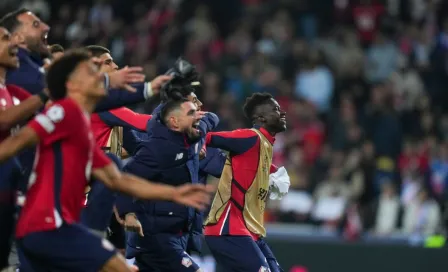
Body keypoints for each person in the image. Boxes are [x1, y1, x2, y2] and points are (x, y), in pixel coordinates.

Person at [0, 49, 213, 272]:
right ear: (72, 85)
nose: (98, 77)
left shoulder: (80, 128)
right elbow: (14, 145)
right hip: (48, 226)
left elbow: (119, 180)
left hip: (45, 229)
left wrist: (174, 194)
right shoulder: (63, 112)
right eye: (90, 72)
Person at [116, 96, 220, 272]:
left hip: (177, 232)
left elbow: (211, 118)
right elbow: (125, 179)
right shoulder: (156, 149)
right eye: (191, 113)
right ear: (175, 122)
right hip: (157, 235)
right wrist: (128, 213)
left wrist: (199, 117)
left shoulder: (192, 139)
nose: (198, 116)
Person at [203, 92, 286, 272]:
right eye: (276, 110)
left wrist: (272, 173)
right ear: (261, 117)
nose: (282, 113)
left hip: (251, 233)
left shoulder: (265, 147)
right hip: (227, 230)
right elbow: (207, 138)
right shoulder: (250, 137)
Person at [82, 45, 153, 251]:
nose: (116, 65)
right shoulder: (101, 103)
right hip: (88, 197)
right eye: (108, 62)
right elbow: (143, 123)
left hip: (108, 193)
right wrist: (176, 118)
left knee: (116, 255)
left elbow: (139, 146)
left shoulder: (112, 114)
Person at [0, 26, 50, 272]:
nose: (14, 45)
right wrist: (47, 93)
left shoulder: (9, 92)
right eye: (4, 38)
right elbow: (4, 120)